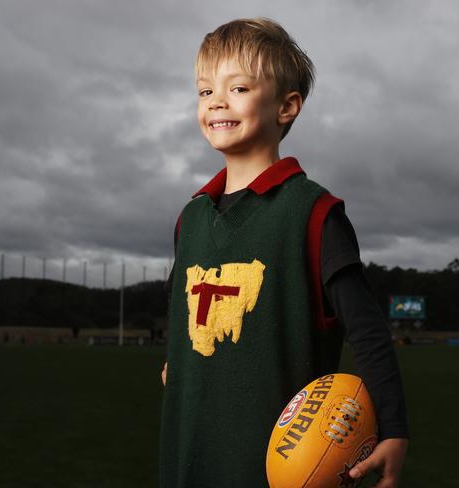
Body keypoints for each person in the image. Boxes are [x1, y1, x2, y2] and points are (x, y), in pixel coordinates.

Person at [159, 18, 409, 487]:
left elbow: (369, 332)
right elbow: (182, 308)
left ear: (286, 107)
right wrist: (178, 359)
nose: (216, 101)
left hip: (275, 466)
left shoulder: (313, 212)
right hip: (188, 449)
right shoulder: (190, 218)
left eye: (237, 88)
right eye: (204, 91)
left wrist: (393, 430)